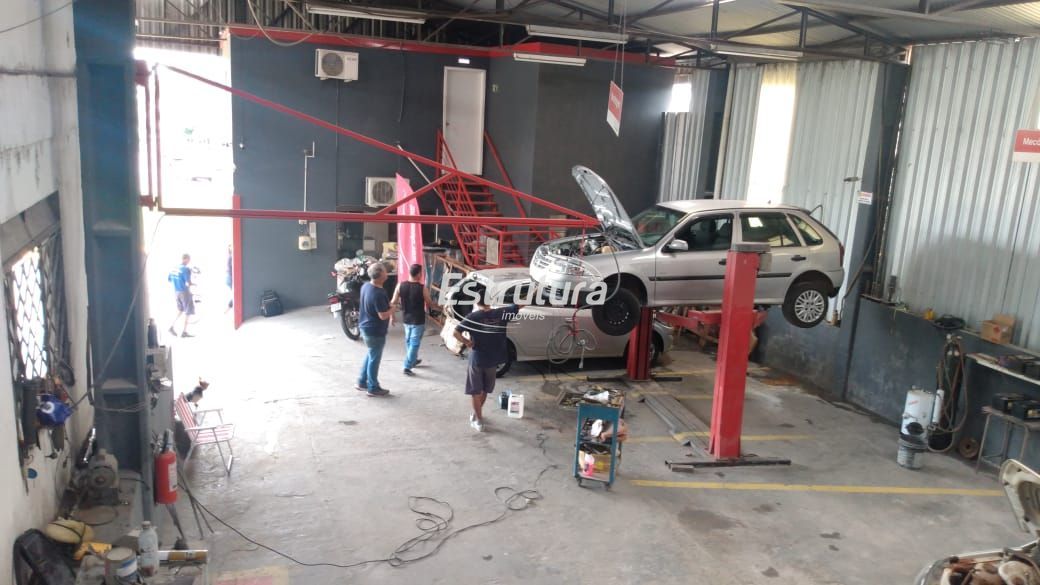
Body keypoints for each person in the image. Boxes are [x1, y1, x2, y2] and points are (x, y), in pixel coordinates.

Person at [453, 286, 520, 432]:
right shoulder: (502, 313)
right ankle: (478, 416)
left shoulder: (473, 317)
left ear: (477, 302)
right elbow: (519, 304)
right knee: (484, 390)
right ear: (491, 300)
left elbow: (455, 332)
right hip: (492, 361)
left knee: (475, 391)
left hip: (477, 360)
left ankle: (478, 418)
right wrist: (535, 290)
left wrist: (467, 342)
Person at [390, 263, 442, 376]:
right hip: (418, 320)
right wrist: (441, 308)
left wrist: (392, 316)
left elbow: (393, 302)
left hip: (406, 319)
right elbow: (430, 304)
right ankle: (407, 366)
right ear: (418, 274)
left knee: (409, 341)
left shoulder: (400, 285)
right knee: (414, 343)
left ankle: (413, 360)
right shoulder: (422, 288)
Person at [355, 261, 394, 397]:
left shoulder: (366, 286)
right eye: (384, 270)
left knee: (371, 354)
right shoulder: (379, 293)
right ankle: (373, 387)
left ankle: (362, 381)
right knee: (374, 359)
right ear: (380, 275)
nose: (387, 272)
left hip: (365, 327)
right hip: (375, 330)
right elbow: (383, 315)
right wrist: (393, 309)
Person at [167, 254, 195, 338]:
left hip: (176, 292)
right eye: (189, 260)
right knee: (188, 311)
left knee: (180, 310)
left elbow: (169, 279)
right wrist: (193, 284)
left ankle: (171, 326)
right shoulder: (185, 269)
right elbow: (188, 282)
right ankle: (184, 332)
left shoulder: (174, 268)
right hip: (184, 291)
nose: (189, 261)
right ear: (185, 259)